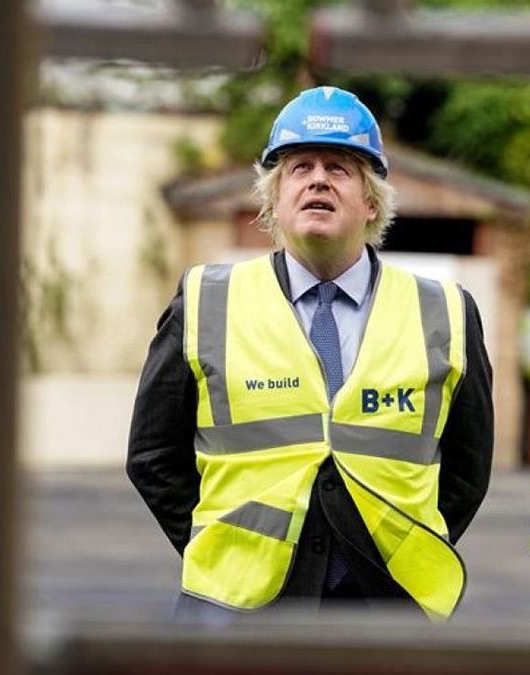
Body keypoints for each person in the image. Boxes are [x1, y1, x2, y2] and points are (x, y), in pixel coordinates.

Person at [128, 86, 493, 621]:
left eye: (339, 167)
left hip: (389, 607)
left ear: (372, 201)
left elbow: (467, 469)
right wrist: (222, 549)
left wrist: (395, 549)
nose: (318, 179)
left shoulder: (445, 311)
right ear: (274, 199)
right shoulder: (206, 300)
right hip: (234, 610)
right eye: (299, 168)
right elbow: (153, 455)